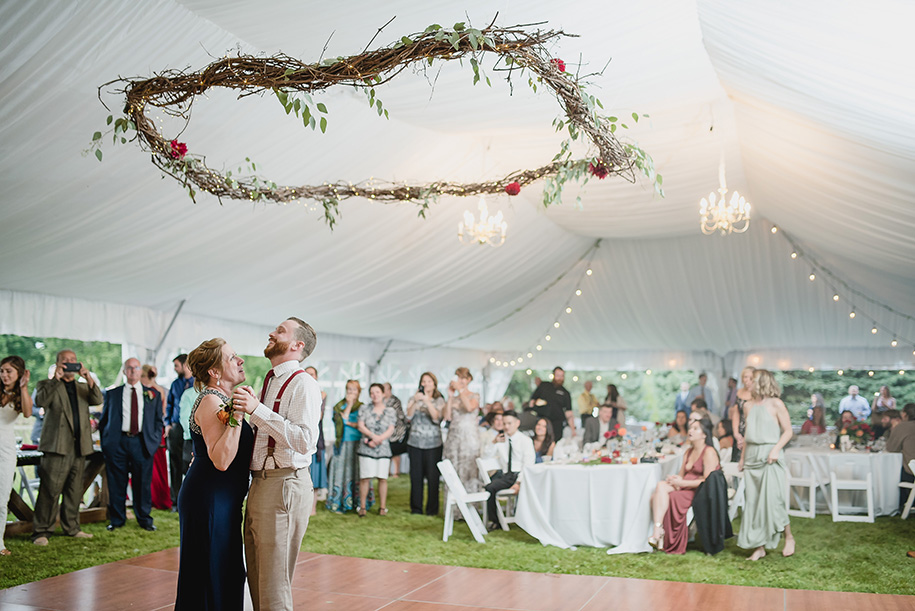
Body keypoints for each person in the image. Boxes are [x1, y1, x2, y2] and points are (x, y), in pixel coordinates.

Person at [231, 317, 321, 611]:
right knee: (257, 574)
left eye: (280, 331)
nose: (272, 332)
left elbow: (305, 441)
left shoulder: (304, 383)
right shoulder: (271, 379)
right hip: (260, 482)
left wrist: (257, 410)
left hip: (284, 482)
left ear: (298, 345)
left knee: (273, 582)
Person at [175, 339, 253, 611]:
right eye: (232, 357)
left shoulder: (224, 399)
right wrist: (238, 415)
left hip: (223, 499)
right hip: (209, 500)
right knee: (212, 574)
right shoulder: (210, 400)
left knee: (226, 572)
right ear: (214, 372)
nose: (240, 360)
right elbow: (221, 460)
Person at [32, 349, 102, 546]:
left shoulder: (82, 387)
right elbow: (40, 402)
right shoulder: (46, 384)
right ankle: (41, 531)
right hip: (57, 446)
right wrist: (56, 378)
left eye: (73, 360)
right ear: (57, 364)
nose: (70, 364)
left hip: (79, 446)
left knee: (74, 491)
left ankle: (72, 528)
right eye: (65, 361)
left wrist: (87, 376)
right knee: (49, 491)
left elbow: (97, 399)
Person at [99, 357, 164, 532]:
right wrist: (106, 443)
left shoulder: (153, 395)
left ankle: (144, 519)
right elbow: (103, 420)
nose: (133, 371)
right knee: (116, 482)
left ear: (140, 371)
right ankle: (117, 519)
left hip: (142, 443)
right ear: (124, 371)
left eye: (135, 368)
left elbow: (159, 421)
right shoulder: (112, 394)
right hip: (117, 443)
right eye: (129, 368)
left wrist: (155, 440)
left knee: (142, 483)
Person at [738, 369, 795, 561]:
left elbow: (788, 431)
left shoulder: (776, 404)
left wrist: (776, 449)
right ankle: (759, 546)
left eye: (752, 380)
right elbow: (747, 435)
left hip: (770, 456)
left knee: (774, 501)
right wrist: (742, 458)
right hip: (752, 456)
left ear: (762, 382)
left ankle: (789, 537)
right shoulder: (747, 405)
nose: (748, 383)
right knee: (753, 503)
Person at [649, 417, 720, 554]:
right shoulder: (688, 451)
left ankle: (661, 535)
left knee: (660, 497)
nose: (690, 431)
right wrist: (675, 478)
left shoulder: (709, 452)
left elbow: (708, 481)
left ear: (704, 434)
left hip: (699, 490)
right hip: (684, 485)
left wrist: (681, 483)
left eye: (695, 428)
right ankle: (658, 530)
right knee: (659, 488)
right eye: (690, 428)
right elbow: (682, 474)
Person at [1, 356, 33, 556]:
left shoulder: (20, 396)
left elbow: (29, 413)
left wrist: (23, 387)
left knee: (2, 497)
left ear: (19, 373)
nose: (4, 375)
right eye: (2, 370)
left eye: (9, 371)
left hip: (5, 449)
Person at [483, 410, 535, 531]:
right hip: (506, 475)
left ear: (517, 423)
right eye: (504, 423)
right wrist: (493, 442)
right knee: (490, 487)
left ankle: (526, 520)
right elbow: (485, 457)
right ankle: (496, 521)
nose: (506, 426)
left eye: (509, 423)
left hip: (521, 475)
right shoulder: (500, 439)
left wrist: (519, 483)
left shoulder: (525, 440)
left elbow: (528, 465)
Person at [406, 372, 445, 516]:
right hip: (415, 442)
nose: (426, 384)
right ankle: (416, 508)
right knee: (416, 477)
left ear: (434, 384)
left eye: (429, 381)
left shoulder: (439, 400)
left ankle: (432, 509)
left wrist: (427, 401)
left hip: (433, 444)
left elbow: (437, 418)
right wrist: (416, 401)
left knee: (433, 478)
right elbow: (408, 416)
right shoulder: (413, 398)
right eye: (424, 381)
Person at [356, 383, 396, 517]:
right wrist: (373, 437)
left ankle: (383, 508)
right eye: (372, 392)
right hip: (366, 446)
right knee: (365, 478)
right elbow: (361, 425)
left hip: (383, 448)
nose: (375, 395)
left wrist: (379, 439)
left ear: (383, 393)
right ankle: (362, 507)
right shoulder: (364, 409)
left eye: (377, 392)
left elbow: (391, 428)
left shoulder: (390, 411)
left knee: (382, 478)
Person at [326, 379, 366, 513]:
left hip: (358, 443)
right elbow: (340, 420)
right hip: (342, 443)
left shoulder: (362, 406)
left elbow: (363, 425)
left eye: (354, 389)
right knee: (341, 472)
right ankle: (339, 502)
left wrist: (349, 423)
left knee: (357, 472)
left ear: (359, 392)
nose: (351, 392)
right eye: (349, 389)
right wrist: (348, 405)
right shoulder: (339, 406)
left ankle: (356, 502)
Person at [443, 367, 482, 494]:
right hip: (454, 437)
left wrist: (460, 390)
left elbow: (470, 407)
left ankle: (470, 504)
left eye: (464, 378)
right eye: (459, 377)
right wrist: (450, 396)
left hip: (469, 437)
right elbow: (447, 416)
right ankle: (453, 506)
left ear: (469, 379)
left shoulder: (474, 396)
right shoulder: (454, 399)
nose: (461, 380)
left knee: (469, 467)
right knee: (453, 467)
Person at [165, 354, 194, 509]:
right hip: (176, 429)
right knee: (175, 465)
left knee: (189, 465)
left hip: (192, 432)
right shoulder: (175, 384)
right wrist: (167, 424)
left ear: (185, 365)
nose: (175, 369)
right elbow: (169, 405)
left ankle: (189, 499)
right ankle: (175, 501)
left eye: (176, 365)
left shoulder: (198, 384)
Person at [142, 364, 171, 510]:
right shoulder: (161, 390)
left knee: (155, 465)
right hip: (157, 430)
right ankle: (154, 497)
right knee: (157, 466)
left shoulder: (153, 391)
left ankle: (155, 498)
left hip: (152, 430)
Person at [526, 366, 576, 440]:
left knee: (555, 443)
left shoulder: (565, 393)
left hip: (557, 424)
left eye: (562, 376)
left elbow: (569, 413)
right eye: (558, 376)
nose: (560, 378)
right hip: (542, 421)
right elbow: (532, 400)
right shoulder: (544, 386)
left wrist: (573, 430)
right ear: (553, 375)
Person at [304, 366, 327, 516]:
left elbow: (318, 417)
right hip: (303, 439)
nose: (310, 376)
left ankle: (313, 508)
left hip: (316, 440)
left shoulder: (321, 394)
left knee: (316, 477)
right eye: (307, 374)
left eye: (312, 374)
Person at [886, 403, 915, 512]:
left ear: (905, 414)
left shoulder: (903, 427)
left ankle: (899, 503)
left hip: (911, 473)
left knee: (894, 472)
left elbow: (891, 448)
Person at [383, 382, 406, 478]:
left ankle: (396, 472)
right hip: (385, 430)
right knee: (387, 452)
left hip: (396, 430)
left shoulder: (395, 400)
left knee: (396, 452)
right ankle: (387, 472)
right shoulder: (381, 400)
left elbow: (400, 415)